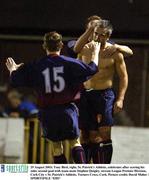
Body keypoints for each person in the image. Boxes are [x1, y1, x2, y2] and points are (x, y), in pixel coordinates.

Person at [6, 31, 100, 164]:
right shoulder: (69, 62)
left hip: (47, 112)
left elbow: (15, 80)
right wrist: (95, 52)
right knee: (75, 142)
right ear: (61, 45)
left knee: (56, 148)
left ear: (44, 46)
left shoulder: (36, 65)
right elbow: (92, 69)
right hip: (67, 110)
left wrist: (13, 69)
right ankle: (83, 173)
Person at [76, 20, 128, 164]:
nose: (97, 37)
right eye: (95, 34)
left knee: (104, 133)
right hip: (86, 95)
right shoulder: (86, 48)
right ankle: (83, 171)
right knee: (85, 135)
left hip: (104, 95)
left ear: (108, 36)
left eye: (101, 35)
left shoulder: (115, 53)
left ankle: (103, 171)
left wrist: (121, 98)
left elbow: (123, 77)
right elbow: (76, 63)